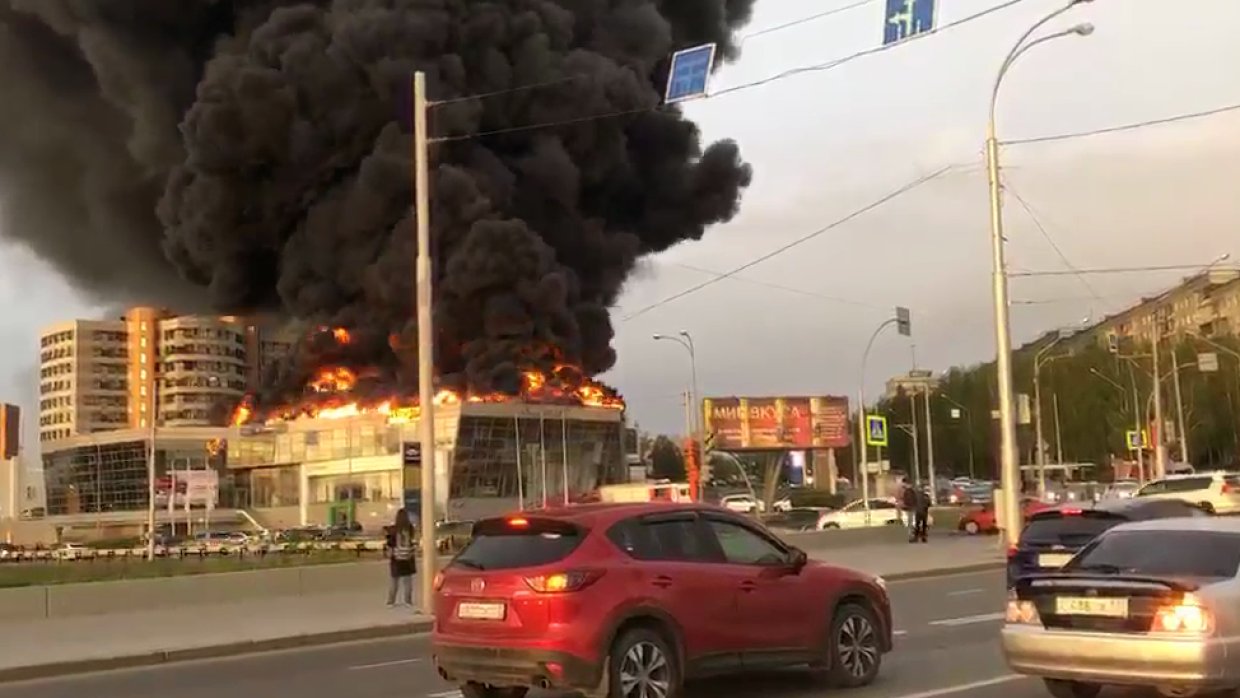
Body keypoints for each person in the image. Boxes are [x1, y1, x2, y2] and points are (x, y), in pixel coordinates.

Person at [386, 508, 417, 607]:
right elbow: (413, 542)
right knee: (407, 581)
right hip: (408, 558)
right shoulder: (410, 529)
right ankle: (408, 601)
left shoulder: (393, 530)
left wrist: (390, 554)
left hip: (396, 559)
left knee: (394, 581)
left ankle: (391, 601)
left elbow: (390, 544)